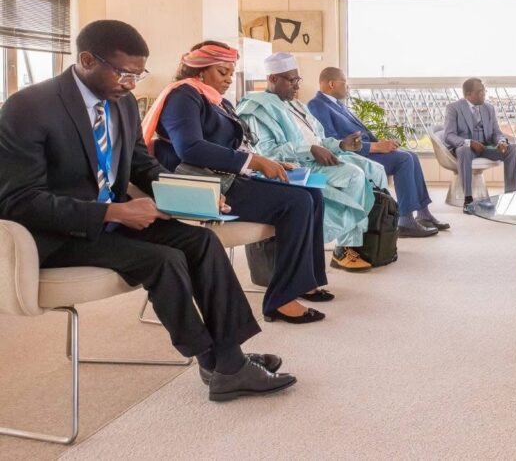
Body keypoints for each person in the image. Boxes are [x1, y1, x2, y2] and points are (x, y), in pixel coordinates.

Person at [0, 21, 295, 400]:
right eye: (124, 73)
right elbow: (20, 200)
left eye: (138, 75)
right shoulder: (29, 107)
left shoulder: (122, 104)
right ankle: (218, 362)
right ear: (87, 60)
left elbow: (143, 166)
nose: (131, 84)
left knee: (203, 242)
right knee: (163, 260)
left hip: (112, 220)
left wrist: (190, 196)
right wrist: (113, 214)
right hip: (59, 234)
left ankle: (229, 358)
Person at [142, 41, 330, 325]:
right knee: (298, 202)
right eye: (223, 72)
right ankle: (281, 300)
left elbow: (237, 146)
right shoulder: (183, 96)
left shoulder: (216, 100)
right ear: (200, 71)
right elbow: (190, 149)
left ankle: (305, 281)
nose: (229, 78)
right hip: (205, 184)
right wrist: (254, 162)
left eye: (231, 72)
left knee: (311, 193)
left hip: (227, 175)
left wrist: (269, 161)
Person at [236, 54, 387, 272]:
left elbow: (319, 139)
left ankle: (372, 238)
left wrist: (341, 145)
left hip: (317, 157)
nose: (297, 86)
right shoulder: (258, 109)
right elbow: (267, 154)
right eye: (291, 80)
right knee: (354, 176)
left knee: (375, 169)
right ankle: (343, 248)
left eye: (298, 80)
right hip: (296, 166)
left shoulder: (297, 106)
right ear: (273, 79)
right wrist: (310, 150)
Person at [308, 67, 447, 238]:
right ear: (331, 84)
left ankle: (424, 214)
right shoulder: (317, 105)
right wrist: (375, 147)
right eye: (345, 83)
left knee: (412, 155)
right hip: (353, 156)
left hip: (367, 150)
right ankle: (406, 221)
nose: (348, 87)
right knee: (404, 159)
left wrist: (381, 143)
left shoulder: (337, 104)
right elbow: (332, 141)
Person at [444, 78, 516, 214]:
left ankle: (510, 195)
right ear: (468, 94)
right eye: (480, 91)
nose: (484, 94)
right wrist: (470, 142)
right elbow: (449, 135)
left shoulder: (489, 108)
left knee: (512, 148)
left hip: (486, 147)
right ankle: (468, 200)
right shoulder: (453, 108)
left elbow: (496, 132)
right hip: (467, 148)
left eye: (484, 91)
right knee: (463, 151)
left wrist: (501, 141)